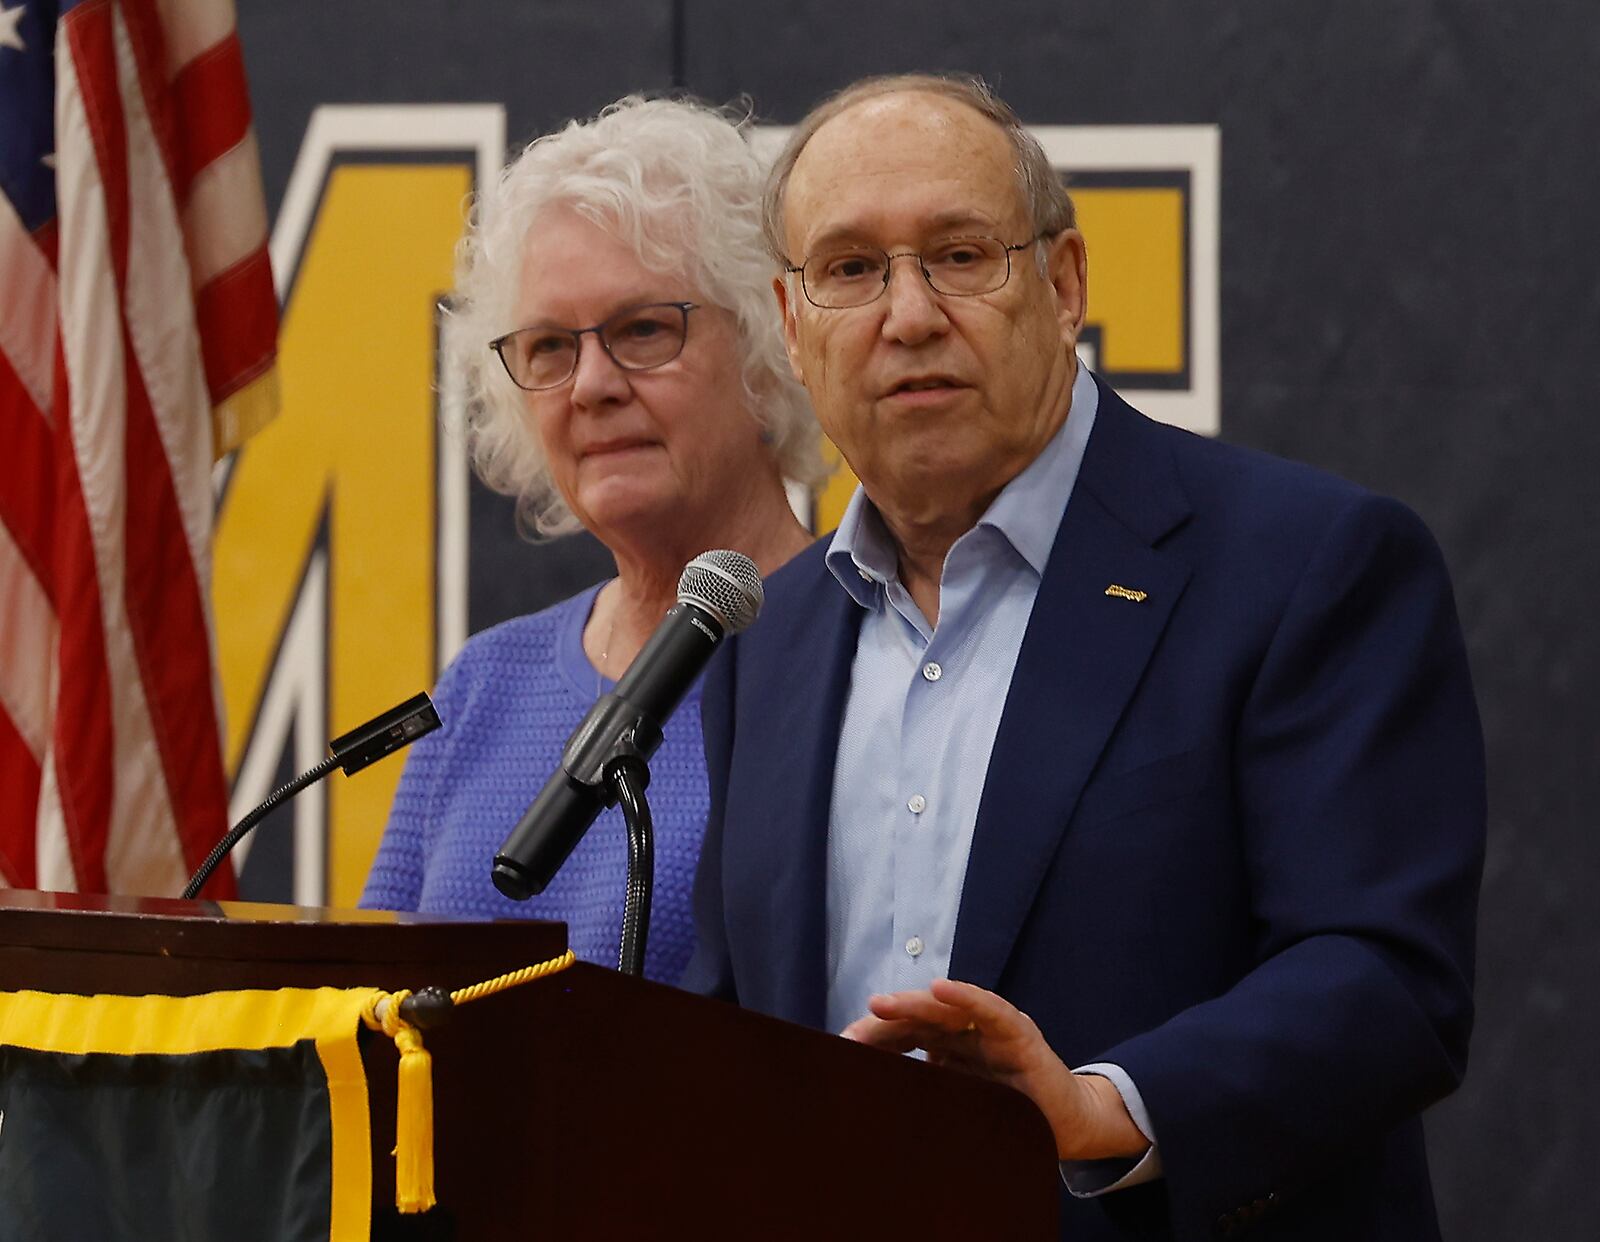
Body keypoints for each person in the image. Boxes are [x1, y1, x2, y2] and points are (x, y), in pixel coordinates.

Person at [682, 73, 1485, 1240]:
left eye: (959, 256)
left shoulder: (1305, 563)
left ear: (1062, 285)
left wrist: (1100, 1107)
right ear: (792, 323)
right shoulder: (767, 638)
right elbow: (742, 1031)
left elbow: (1386, 979)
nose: (906, 316)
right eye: (850, 270)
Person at [361, 97, 825, 984]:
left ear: (771, 344)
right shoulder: (485, 686)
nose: (592, 385)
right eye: (547, 348)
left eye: (644, 329)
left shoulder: (863, 647)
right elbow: (373, 1011)